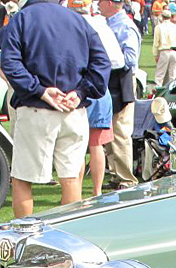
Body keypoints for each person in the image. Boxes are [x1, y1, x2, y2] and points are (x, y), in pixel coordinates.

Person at [0, 0, 110, 216]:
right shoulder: (79, 21)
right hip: (72, 111)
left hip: (36, 110)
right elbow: (101, 64)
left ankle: (25, 239)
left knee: (22, 179)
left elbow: (10, 62)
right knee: (71, 179)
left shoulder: (23, 18)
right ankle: (68, 239)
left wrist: (39, 90)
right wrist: (80, 93)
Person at [68, 0, 121, 196]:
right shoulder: (101, 26)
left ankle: (78, 192)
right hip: (98, 89)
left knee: (77, 146)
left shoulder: (68, 26)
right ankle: (96, 192)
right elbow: (117, 61)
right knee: (96, 144)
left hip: (76, 90)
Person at [99, 0, 141, 189]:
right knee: (108, 129)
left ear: (109, 2)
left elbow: (130, 59)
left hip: (122, 79)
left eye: (100, 1)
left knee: (120, 130)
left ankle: (127, 179)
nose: (98, 4)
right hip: (110, 80)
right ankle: (116, 174)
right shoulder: (107, 23)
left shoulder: (125, 26)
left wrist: (106, 57)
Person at [152, 9, 176, 85]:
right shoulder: (175, 27)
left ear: (162, 17)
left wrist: (156, 54)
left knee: (160, 75)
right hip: (174, 51)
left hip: (164, 51)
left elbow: (156, 42)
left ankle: (157, 92)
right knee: (172, 76)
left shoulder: (159, 27)